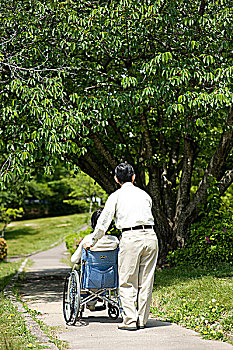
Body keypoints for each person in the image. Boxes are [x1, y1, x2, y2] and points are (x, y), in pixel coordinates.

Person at [84, 163, 159, 331]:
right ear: (133, 177)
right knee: (146, 280)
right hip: (151, 236)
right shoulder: (145, 195)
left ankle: (130, 321)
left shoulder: (116, 197)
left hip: (131, 237)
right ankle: (142, 320)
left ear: (116, 179)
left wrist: (93, 241)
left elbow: (103, 222)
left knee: (127, 280)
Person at [71, 208, 119, 311]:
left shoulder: (88, 239)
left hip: (91, 279)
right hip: (110, 278)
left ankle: (91, 302)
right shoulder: (115, 240)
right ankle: (98, 300)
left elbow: (74, 259)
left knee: (80, 269)